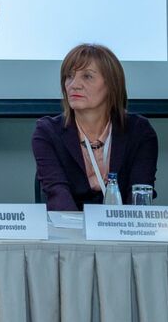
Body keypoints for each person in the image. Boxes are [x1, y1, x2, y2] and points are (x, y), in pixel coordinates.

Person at [32, 43, 158, 210]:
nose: (74, 85)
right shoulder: (48, 132)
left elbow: (139, 197)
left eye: (87, 76)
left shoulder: (139, 131)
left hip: (124, 224)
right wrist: (81, 227)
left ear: (111, 84)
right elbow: (57, 194)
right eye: (69, 76)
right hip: (68, 223)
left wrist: (118, 225)